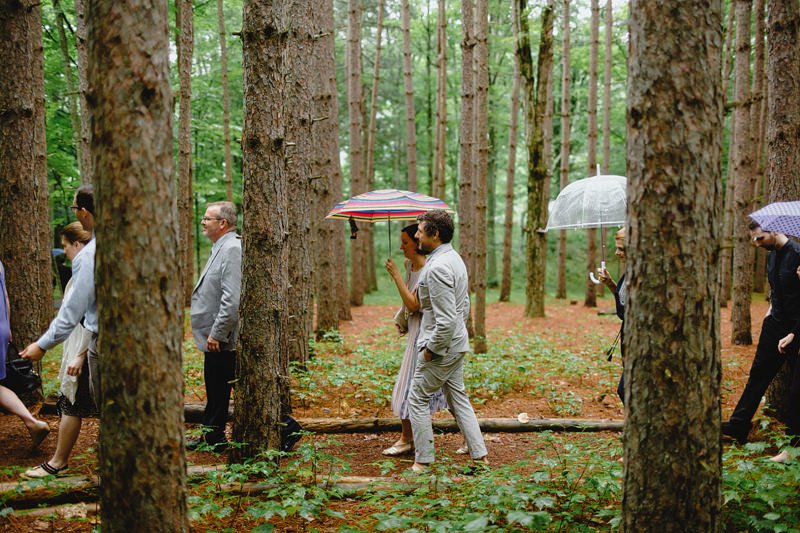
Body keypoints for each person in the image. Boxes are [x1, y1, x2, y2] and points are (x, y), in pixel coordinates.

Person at [408, 210, 488, 472]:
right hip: (456, 344)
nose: (416, 235)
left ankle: (423, 460)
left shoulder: (440, 266)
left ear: (435, 234)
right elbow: (462, 306)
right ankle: (480, 456)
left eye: (420, 230)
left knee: (417, 398)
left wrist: (432, 349)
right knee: (458, 399)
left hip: (442, 347)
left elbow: (446, 318)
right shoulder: (453, 258)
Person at [722, 222, 800, 462]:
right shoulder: (772, 256)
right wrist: (769, 311)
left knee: (796, 391)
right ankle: (738, 426)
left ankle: (793, 446)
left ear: (775, 231)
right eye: (753, 239)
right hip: (774, 326)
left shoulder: (797, 255)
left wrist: (795, 333)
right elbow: (775, 291)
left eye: (759, 238)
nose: (756, 243)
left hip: (797, 329)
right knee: (758, 376)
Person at [24, 223, 97, 478]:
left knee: (71, 404)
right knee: (70, 404)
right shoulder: (81, 271)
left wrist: (81, 354)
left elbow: (93, 317)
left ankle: (58, 461)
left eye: (66, 245)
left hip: (86, 349)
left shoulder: (88, 271)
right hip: (79, 347)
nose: (64, 251)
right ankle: (59, 460)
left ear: (78, 244)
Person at [21, 185, 98, 407]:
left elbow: (73, 310)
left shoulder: (89, 256)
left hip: (104, 344)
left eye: (74, 207)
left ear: (84, 211)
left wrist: (43, 345)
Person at [383, 224, 448, 456]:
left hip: (425, 331)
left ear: (417, 243)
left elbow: (414, 304)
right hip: (413, 327)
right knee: (410, 383)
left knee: (411, 385)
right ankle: (408, 437)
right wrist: (400, 318)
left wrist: (396, 277)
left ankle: (407, 439)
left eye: (406, 242)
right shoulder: (409, 265)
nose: (401, 247)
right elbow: (406, 304)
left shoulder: (428, 270)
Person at [187, 201, 241, 451]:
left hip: (223, 339)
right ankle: (212, 437)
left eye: (207, 218)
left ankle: (289, 429)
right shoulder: (221, 246)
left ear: (223, 223)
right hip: (215, 336)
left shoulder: (232, 248)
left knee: (229, 387)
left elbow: (231, 298)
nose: (203, 222)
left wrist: (218, 333)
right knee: (216, 389)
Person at [0, 259, 50, 449]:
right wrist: (7, 326)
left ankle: (32, 422)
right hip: (2, 327)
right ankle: (32, 423)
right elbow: (5, 297)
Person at [597, 228, 627, 403]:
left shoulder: (644, 275)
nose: (616, 253)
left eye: (621, 249)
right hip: (628, 341)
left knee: (625, 390)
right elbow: (624, 302)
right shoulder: (629, 274)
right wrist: (609, 283)